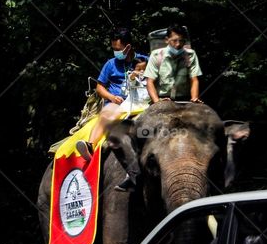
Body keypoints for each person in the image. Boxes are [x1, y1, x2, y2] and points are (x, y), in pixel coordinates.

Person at [75, 28, 148, 167]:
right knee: (107, 113)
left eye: (118, 49)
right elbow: (99, 87)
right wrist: (112, 97)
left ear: (128, 47)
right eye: (113, 48)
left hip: (141, 102)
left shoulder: (144, 61)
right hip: (117, 104)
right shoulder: (110, 64)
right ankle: (90, 145)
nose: (116, 52)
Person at [145, 25, 202, 103]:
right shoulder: (156, 55)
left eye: (181, 41)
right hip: (162, 99)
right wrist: (157, 101)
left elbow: (194, 79)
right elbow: (150, 81)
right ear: (167, 40)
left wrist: (194, 98)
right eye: (174, 40)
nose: (178, 44)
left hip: (184, 99)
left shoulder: (190, 55)